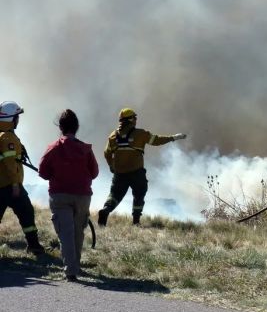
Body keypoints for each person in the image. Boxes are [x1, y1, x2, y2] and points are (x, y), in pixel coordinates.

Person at [97, 108, 186, 226]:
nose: (136, 120)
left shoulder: (113, 136)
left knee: (115, 195)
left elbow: (107, 153)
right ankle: (136, 221)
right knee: (139, 193)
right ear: (130, 120)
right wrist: (173, 137)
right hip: (136, 172)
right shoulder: (140, 134)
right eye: (135, 118)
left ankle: (106, 210)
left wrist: (111, 166)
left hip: (119, 173)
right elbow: (156, 140)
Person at [38, 110, 99, 281]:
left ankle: (70, 270)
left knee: (65, 233)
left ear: (61, 127)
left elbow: (43, 172)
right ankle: (75, 266)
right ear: (76, 127)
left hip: (60, 196)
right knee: (78, 231)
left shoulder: (53, 148)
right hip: (82, 196)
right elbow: (94, 172)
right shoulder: (85, 149)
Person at [0, 101, 45, 254]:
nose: (18, 120)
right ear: (11, 118)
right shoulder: (7, 138)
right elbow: (10, 164)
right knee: (26, 212)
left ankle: (33, 245)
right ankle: (33, 245)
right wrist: (15, 184)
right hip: (8, 185)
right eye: (17, 117)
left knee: (26, 211)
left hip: (7, 184)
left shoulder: (6, 135)